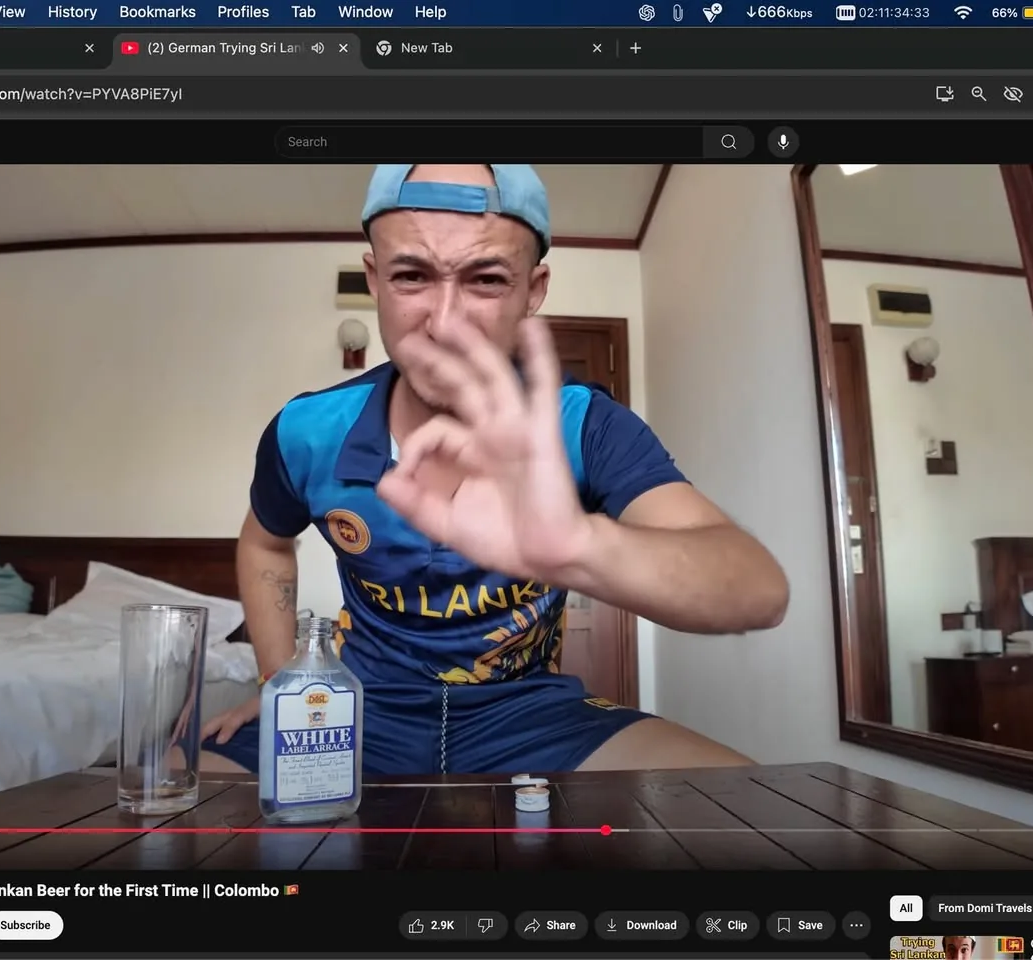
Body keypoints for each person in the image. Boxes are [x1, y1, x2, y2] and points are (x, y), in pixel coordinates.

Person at [196, 163, 790, 776]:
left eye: (485, 279)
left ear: (534, 291)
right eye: (411, 275)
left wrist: (583, 547)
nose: (445, 321)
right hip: (357, 711)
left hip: (528, 716)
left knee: (752, 807)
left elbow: (759, 592)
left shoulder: (585, 426)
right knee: (174, 803)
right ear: (374, 278)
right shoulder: (307, 431)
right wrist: (279, 682)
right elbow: (266, 541)